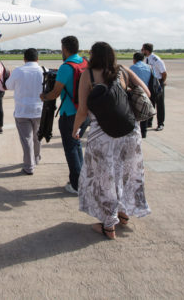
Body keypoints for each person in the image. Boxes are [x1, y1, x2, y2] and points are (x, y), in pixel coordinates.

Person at [72, 41, 151, 240]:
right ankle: (124, 214)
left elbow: (82, 110)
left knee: (105, 179)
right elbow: (147, 93)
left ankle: (109, 225)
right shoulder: (123, 71)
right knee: (126, 173)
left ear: (93, 55)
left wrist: (75, 130)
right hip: (130, 132)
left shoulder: (87, 75)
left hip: (103, 135)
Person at [40, 35, 88, 194]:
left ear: (65, 49)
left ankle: (76, 184)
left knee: (71, 149)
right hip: (85, 112)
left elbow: (55, 93)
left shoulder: (66, 67)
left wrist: (44, 96)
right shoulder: (84, 63)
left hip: (70, 113)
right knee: (77, 145)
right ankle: (82, 179)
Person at [5, 48, 44, 175]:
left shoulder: (18, 71)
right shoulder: (44, 71)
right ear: (37, 59)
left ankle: (29, 166)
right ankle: (36, 158)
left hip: (22, 110)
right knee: (37, 137)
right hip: (39, 110)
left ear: (24, 59)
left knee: (26, 139)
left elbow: (8, 86)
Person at [142, 43, 167, 131]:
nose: (141, 51)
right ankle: (149, 122)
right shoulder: (146, 59)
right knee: (150, 103)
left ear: (146, 50)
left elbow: (164, 73)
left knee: (159, 104)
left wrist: (161, 83)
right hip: (150, 83)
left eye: (143, 49)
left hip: (158, 83)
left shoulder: (156, 60)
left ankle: (160, 124)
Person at [130, 52, 153, 138]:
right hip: (147, 91)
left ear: (134, 59)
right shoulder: (149, 67)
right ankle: (144, 132)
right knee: (145, 112)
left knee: (136, 113)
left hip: (136, 93)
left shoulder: (132, 68)